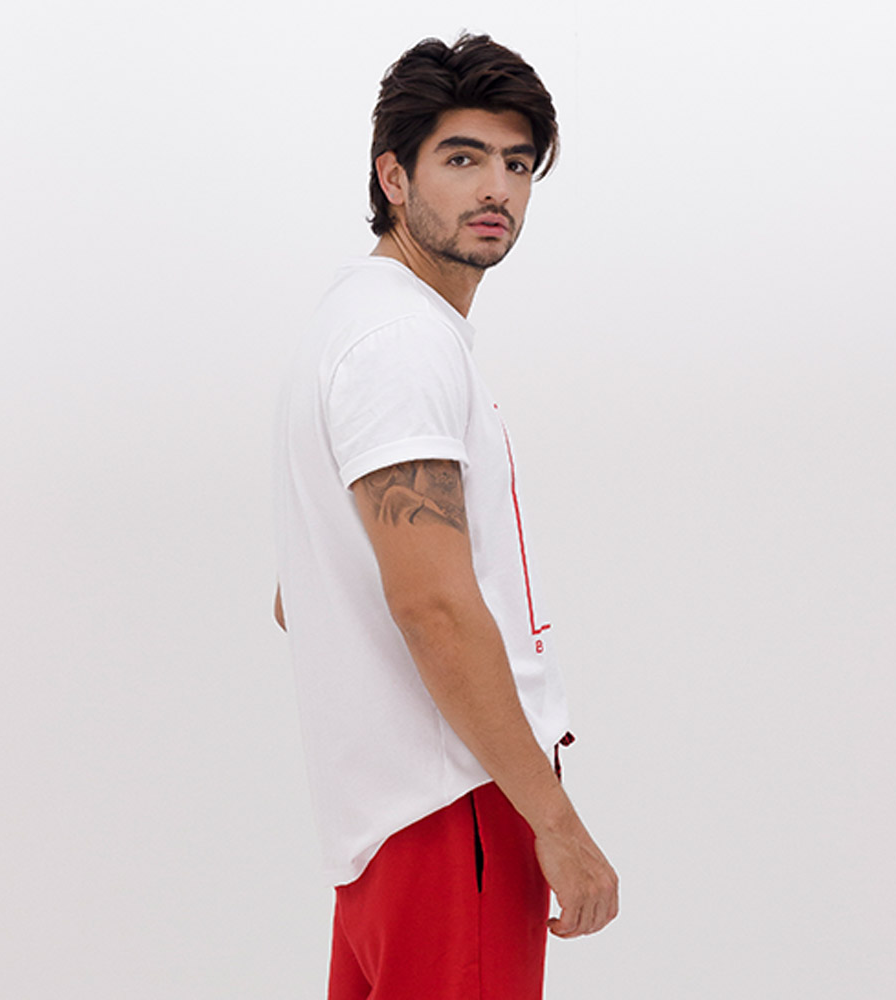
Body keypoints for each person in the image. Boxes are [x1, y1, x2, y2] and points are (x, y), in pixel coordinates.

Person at [273, 32, 619, 1000]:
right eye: (462, 158)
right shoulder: (399, 343)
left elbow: (298, 594)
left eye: (518, 163)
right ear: (393, 176)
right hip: (454, 809)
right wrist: (554, 820)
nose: (496, 189)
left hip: (385, 825)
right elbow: (432, 606)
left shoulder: (351, 324)